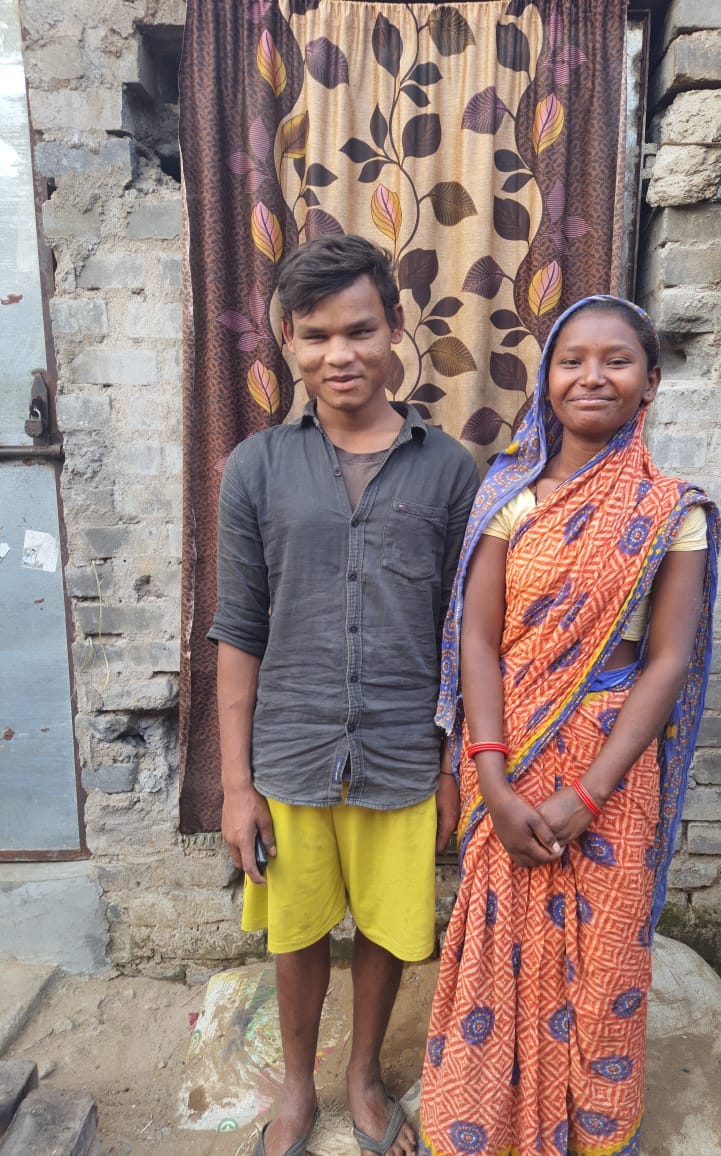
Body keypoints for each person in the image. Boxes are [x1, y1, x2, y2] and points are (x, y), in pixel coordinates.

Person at [419, 295, 720, 1156]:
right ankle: (484, 1127)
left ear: (650, 384)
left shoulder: (673, 510)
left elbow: (665, 661)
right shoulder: (508, 497)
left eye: (616, 361)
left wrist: (589, 792)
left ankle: (587, 1132)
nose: (593, 375)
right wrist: (489, 774)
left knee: (603, 962)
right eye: (571, 360)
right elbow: (474, 637)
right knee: (490, 950)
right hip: (507, 750)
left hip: (613, 771)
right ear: (546, 380)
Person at [209, 235, 479, 1156]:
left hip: (405, 750)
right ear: (287, 339)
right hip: (290, 748)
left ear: (395, 327)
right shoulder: (255, 470)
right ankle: (297, 1088)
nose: (340, 355)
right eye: (316, 335)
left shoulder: (449, 471)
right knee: (295, 928)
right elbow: (238, 631)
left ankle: (363, 1077)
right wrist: (236, 785)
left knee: (387, 929)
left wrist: (454, 765)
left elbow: (463, 638)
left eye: (360, 330)